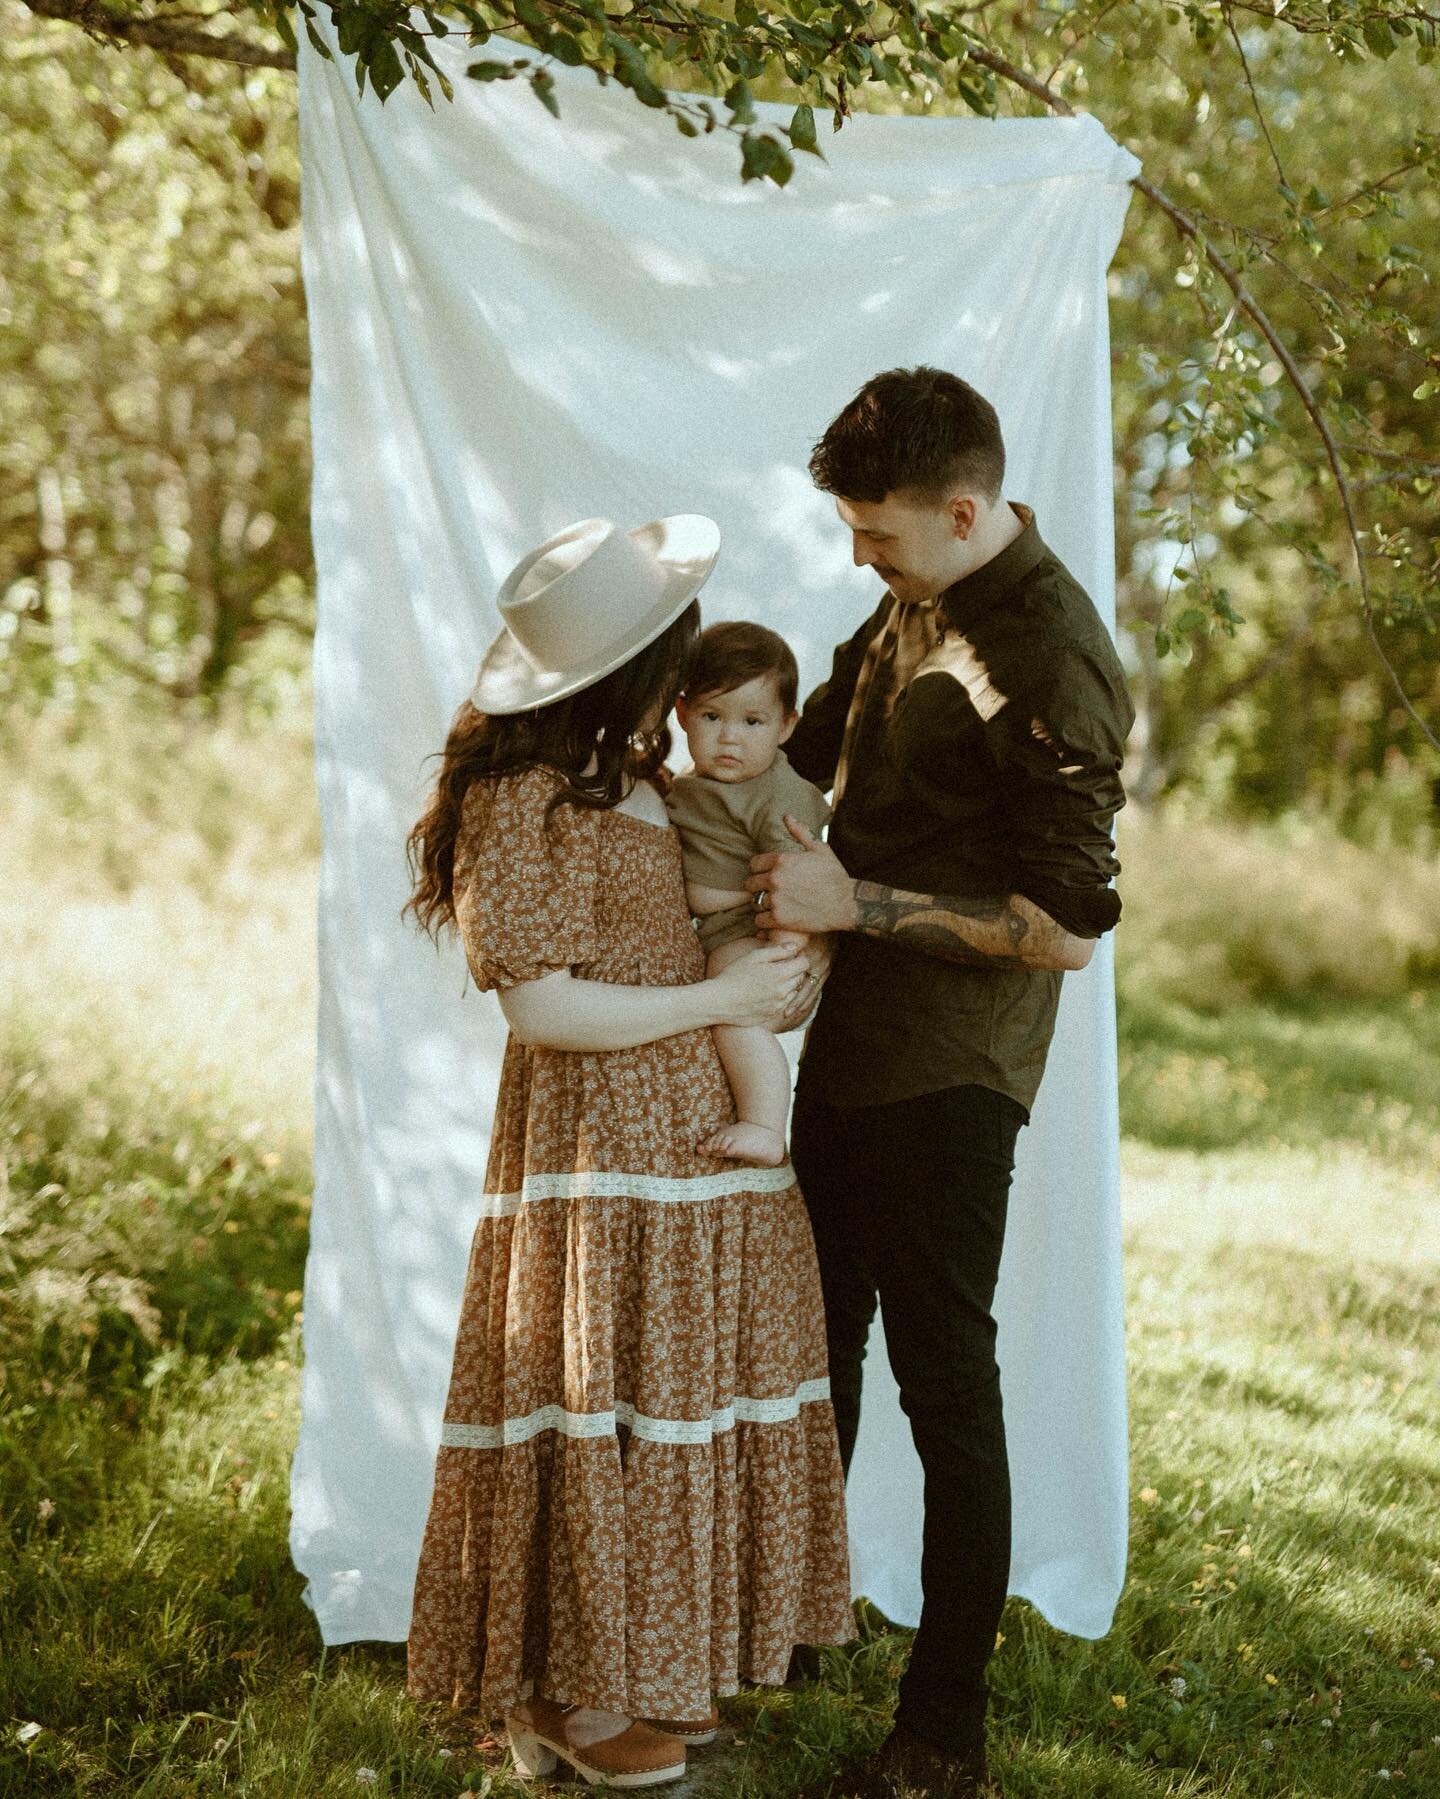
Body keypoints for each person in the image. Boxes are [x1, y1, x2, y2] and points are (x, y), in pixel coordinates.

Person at [401, 515, 854, 1790]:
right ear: (635, 666)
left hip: (701, 1145)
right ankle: (575, 1698)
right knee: (600, 1401)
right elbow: (543, 1006)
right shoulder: (519, 798)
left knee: (672, 1411)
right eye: (678, 651)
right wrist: (718, 1005)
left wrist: (783, 974)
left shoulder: (663, 785)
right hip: (599, 1151)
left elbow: (725, 941)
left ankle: (616, 1681)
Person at [746, 369, 1135, 1799]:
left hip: (954, 1078)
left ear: (963, 510)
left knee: (943, 1386)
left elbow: (1066, 933)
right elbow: (816, 745)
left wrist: (856, 907)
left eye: (880, 537)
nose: (862, 558)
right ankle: (790, 1625)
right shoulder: (923, 594)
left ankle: (940, 1735)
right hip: (851, 1044)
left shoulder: (1057, 657)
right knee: (811, 1352)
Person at [667, 621, 832, 1166]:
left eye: (753, 721)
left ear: (786, 726)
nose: (730, 737)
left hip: (756, 936)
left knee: (732, 1004)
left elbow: (799, 880)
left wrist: (790, 952)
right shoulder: (691, 784)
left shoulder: (778, 795)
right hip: (714, 931)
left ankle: (763, 1123)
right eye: (713, 717)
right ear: (682, 713)